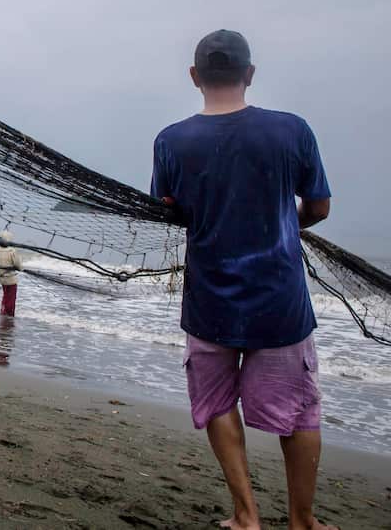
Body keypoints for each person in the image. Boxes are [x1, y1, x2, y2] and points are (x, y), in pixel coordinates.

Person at [151, 30, 335, 530]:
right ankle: (303, 521)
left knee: (215, 403)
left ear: (195, 78)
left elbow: (171, 210)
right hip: (280, 300)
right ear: (249, 74)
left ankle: (245, 517)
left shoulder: (170, 141)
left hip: (208, 299)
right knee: (298, 413)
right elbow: (318, 206)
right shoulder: (292, 131)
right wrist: (283, 221)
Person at [0, 229, 22, 317]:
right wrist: (21, 268)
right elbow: (18, 264)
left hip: (1, 277)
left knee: (5, 296)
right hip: (11, 278)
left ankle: (3, 311)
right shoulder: (12, 251)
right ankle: (9, 315)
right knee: (11, 298)